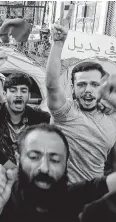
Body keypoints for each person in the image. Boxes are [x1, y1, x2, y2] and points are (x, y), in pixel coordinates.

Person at [0, 123, 116, 222]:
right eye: (34, 157)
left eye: (55, 160)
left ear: (66, 164)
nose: (44, 167)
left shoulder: (75, 198)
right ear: (18, 159)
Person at [45, 23, 116, 183]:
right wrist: (58, 44)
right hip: (60, 194)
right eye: (82, 84)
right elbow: (51, 84)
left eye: (94, 84)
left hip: (93, 196)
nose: (88, 90)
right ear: (72, 88)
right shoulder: (65, 111)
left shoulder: (111, 113)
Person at [0, 51, 50, 163]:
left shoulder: (39, 118)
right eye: (13, 90)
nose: (19, 94)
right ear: (5, 95)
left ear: (29, 96)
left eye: (23, 91)